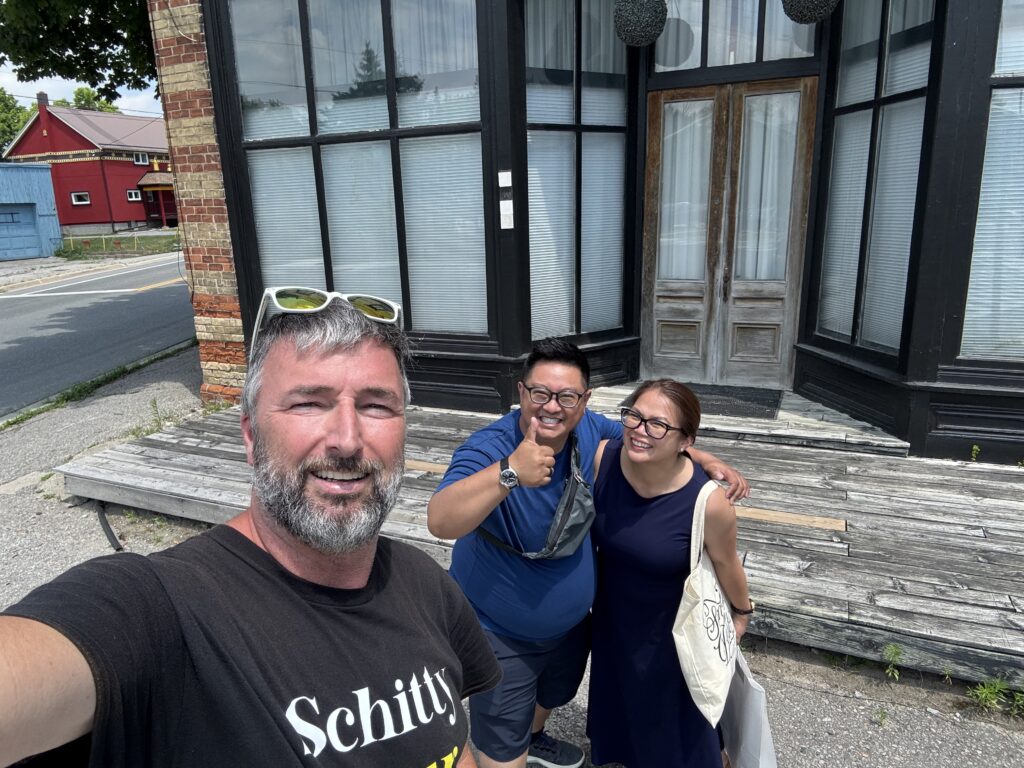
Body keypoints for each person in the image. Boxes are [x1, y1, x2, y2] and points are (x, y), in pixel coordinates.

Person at [0, 296, 501, 767]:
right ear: (250, 436)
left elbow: (455, 743)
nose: (348, 441)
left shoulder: (425, 584)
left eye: (376, 406)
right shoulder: (161, 611)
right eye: (308, 403)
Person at [427, 341, 749, 768]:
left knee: (554, 693)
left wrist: (701, 457)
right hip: (503, 632)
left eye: (566, 396)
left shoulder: (588, 429)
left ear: (585, 401)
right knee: (502, 744)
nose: (552, 407)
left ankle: (535, 738)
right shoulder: (491, 446)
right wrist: (509, 472)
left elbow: (644, 435)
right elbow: (440, 520)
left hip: (573, 627)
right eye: (540, 393)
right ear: (521, 392)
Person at [587, 379, 753, 768]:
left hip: (675, 626)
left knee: (677, 718)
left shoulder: (709, 502)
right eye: (634, 416)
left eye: (658, 424)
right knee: (627, 701)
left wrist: (742, 612)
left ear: (685, 441)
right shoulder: (603, 459)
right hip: (614, 616)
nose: (640, 430)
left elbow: (727, 562)